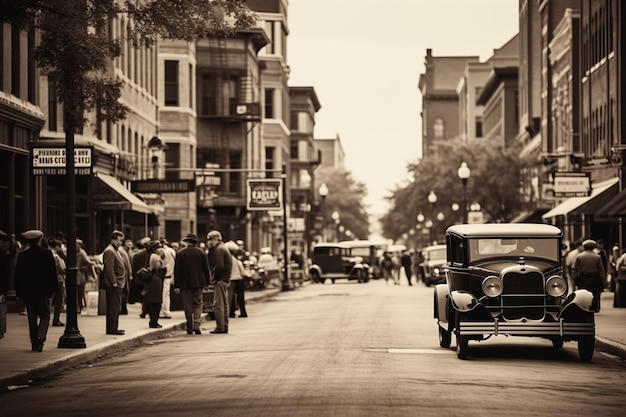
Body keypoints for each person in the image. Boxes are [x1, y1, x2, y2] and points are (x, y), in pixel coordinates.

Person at [14, 230, 58, 351]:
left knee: (31, 317)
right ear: (39, 240)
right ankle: (41, 335)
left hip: (28, 293)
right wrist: (54, 289)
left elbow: (18, 276)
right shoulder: (47, 254)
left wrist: (19, 293)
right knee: (45, 315)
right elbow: (52, 273)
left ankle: (34, 342)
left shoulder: (22, 256)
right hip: (43, 291)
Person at [174, 233, 210, 334]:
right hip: (199, 282)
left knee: (187, 305)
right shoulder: (201, 252)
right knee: (198, 304)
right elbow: (206, 269)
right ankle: (197, 324)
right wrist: (207, 282)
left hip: (185, 284)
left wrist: (177, 285)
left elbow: (177, 270)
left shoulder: (180, 253)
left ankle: (189, 327)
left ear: (186, 242)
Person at [101, 230, 127, 335]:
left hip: (118, 282)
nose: (121, 243)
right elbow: (109, 268)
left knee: (116, 306)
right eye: (119, 240)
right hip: (114, 284)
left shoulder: (114, 250)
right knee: (114, 306)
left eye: (122, 241)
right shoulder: (110, 251)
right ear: (113, 239)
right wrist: (114, 282)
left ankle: (114, 327)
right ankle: (112, 328)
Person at [206, 230, 231, 334]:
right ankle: (224, 325)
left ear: (216, 239)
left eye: (210, 240)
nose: (209, 242)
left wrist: (214, 277)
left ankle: (220, 326)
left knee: (218, 304)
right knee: (224, 304)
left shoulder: (219, 249)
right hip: (226, 279)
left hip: (220, 280)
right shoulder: (224, 248)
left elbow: (219, 266)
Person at [573, 239, 606, 311]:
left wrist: (575, 278)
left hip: (583, 277)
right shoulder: (597, 257)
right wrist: (603, 281)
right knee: (595, 293)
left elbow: (574, 269)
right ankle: (595, 307)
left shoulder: (579, 256)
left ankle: (582, 307)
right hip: (595, 277)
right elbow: (601, 270)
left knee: (583, 292)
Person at [144, 240, 166, 329]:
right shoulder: (155, 257)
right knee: (156, 301)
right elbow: (159, 267)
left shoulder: (153, 256)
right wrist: (161, 259)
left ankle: (154, 320)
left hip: (155, 279)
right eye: (159, 248)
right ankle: (153, 321)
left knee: (156, 301)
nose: (160, 249)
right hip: (155, 279)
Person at [226, 240, 248, 318]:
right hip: (239, 280)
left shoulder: (227, 260)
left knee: (230, 297)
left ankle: (231, 313)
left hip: (230, 280)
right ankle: (243, 312)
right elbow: (243, 273)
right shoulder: (237, 261)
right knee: (240, 298)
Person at [48, 238, 66, 327]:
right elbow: (61, 269)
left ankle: (46, 318)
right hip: (58, 280)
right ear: (56, 246)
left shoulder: (47, 254)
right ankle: (56, 319)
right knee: (58, 301)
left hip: (49, 280)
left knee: (49, 300)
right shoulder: (56, 256)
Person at [76, 239, 94, 314]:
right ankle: (78, 307)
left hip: (80, 276)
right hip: (76, 275)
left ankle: (80, 306)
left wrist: (84, 269)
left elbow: (89, 263)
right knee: (76, 293)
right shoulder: (73, 252)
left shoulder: (82, 253)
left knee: (80, 293)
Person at [159, 238, 176, 319]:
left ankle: (164, 311)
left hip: (163, 275)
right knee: (166, 294)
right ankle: (166, 310)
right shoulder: (172, 251)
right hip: (170, 274)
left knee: (163, 294)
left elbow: (161, 263)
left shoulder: (162, 252)